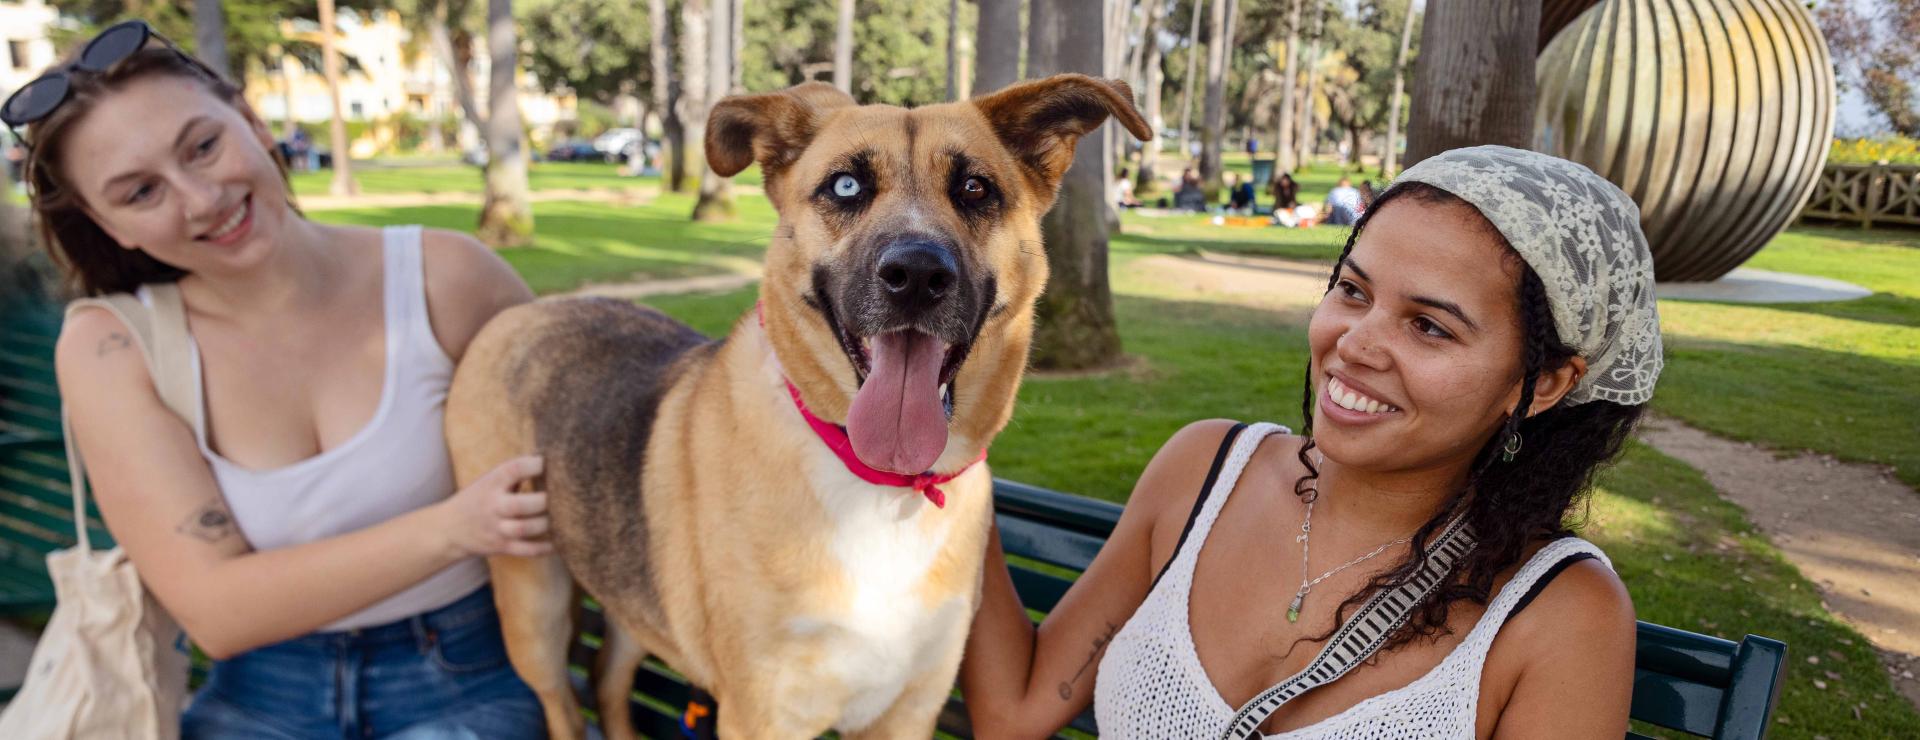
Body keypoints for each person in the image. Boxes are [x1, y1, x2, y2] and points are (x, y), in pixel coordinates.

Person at [959, 145, 1661, 738]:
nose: (1354, 343)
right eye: (1354, 291)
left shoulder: (1561, 616)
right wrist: (949, 467)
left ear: (1543, 383)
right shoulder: (1203, 471)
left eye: (1429, 326)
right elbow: (1015, 710)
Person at [6, 21, 551, 737]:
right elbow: (219, 613)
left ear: (253, 120)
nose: (200, 200)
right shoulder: (116, 347)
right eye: (141, 192)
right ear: (109, 228)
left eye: (203, 146)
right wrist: (459, 527)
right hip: (258, 700)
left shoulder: (445, 280)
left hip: (467, 685)